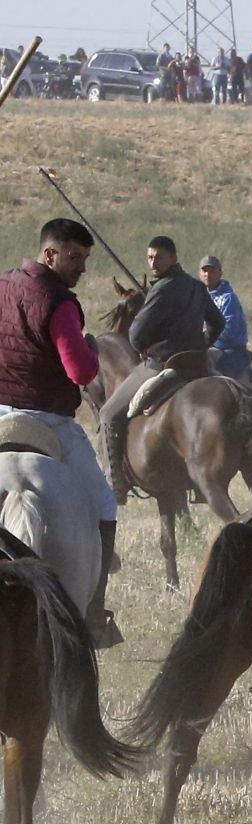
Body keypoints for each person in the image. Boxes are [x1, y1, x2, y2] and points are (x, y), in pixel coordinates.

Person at [0, 219, 123, 646]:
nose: (82, 268)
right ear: (50, 254)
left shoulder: (2, 286)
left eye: (86, 260)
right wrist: (90, 349)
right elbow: (81, 371)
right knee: (106, 504)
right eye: (75, 257)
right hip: (49, 420)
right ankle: (94, 613)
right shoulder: (59, 303)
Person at [100, 235, 225, 504]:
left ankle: (115, 484)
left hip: (161, 364)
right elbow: (217, 322)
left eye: (159, 257)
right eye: (150, 257)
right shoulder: (195, 286)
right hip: (196, 365)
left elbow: (135, 335)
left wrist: (145, 347)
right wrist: (202, 345)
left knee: (108, 413)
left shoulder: (162, 288)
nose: (153, 262)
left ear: (173, 258)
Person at [198, 256, 252, 385]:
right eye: (204, 271)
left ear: (220, 273)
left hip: (230, 352)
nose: (208, 274)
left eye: (212, 271)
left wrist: (204, 337)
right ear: (200, 274)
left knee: (218, 385)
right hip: (207, 349)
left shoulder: (228, 299)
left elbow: (229, 330)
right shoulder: (197, 298)